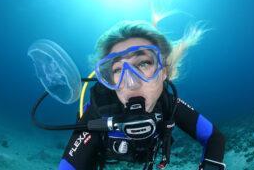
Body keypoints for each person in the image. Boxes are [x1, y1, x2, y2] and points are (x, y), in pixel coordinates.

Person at [58, 20, 226, 170]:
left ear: (163, 72)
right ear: (109, 79)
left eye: (144, 63)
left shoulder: (169, 104)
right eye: (117, 69)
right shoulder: (99, 112)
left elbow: (214, 137)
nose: (131, 83)